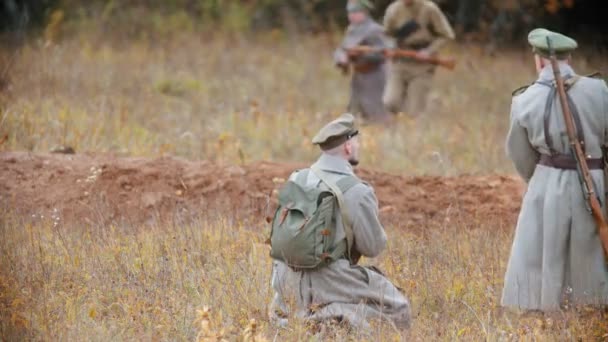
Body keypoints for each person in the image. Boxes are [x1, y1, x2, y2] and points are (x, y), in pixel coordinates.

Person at [268, 113, 411, 330]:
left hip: (283, 278)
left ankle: (290, 318)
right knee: (398, 308)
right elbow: (372, 247)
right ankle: (332, 316)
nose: (358, 145)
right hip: (329, 277)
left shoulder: (296, 178)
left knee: (292, 307)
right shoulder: (357, 191)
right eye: (356, 141)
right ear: (348, 147)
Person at [502, 28, 608, 311]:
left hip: (547, 180)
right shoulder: (600, 90)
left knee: (541, 250)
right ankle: (593, 305)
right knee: (590, 248)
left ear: (538, 60)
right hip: (596, 180)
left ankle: (545, 306)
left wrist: (539, 180)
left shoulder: (523, 100)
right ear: (569, 57)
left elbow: (519, 153)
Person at [382, 0, 455, 117]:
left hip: (422, 65)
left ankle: (431, 103)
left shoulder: (429, 8)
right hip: (400, 61)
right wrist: (390, 48)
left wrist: (429, 51)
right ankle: (418, 100)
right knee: (390, 103)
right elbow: (386, 34)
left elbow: (447, 35)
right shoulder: (393, 9)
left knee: (414, 112)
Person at [334, 0, 390, 123]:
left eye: (355, 12)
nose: (351, 15)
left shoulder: (375, 30)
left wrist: (362, 54)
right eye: (350, 12)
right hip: (358, 75)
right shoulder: (351, 30)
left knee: (376, 111)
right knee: (354, 110)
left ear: (364, 12)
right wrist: (342, 58)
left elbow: (383, 53)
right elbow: (342, 48)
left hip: (374, 76)